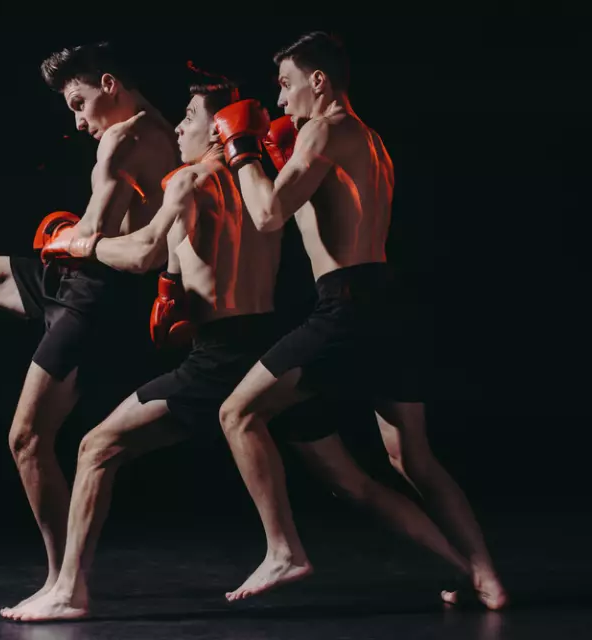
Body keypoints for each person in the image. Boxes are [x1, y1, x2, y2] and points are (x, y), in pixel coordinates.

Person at [0, 71, 472, 623]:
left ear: (219, 129)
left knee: (96, 449)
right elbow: (189, 257)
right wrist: (172, 289)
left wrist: (83, 243)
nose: (178, 129)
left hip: (221, 356)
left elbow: (143, 253)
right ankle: (466, 570)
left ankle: (69, 591)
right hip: (268, 346)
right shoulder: (258, 181)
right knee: (352, 482)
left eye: (190, 119)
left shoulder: (188, 181)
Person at [195, 31, 506, 609]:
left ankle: (283, 550)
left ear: (318, 80)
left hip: (348, 304)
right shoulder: (369, 139)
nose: (280, 99)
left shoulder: (323, 130)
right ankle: (486, 577)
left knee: (237, 413)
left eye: (286, 84)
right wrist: (277, 161)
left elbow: (266, 215)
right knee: (413, 458)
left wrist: (242, 148)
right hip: (387, 301)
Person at [0, 41, 180, 610]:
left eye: (79, 103)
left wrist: (66, 234)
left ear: (109, 84)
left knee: (27, 440)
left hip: (94, 296)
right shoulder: (157, 128)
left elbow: (93, 237)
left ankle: (63, 583)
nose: (77, 122)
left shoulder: (124, 140)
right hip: (73, 280)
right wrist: (70, 238)